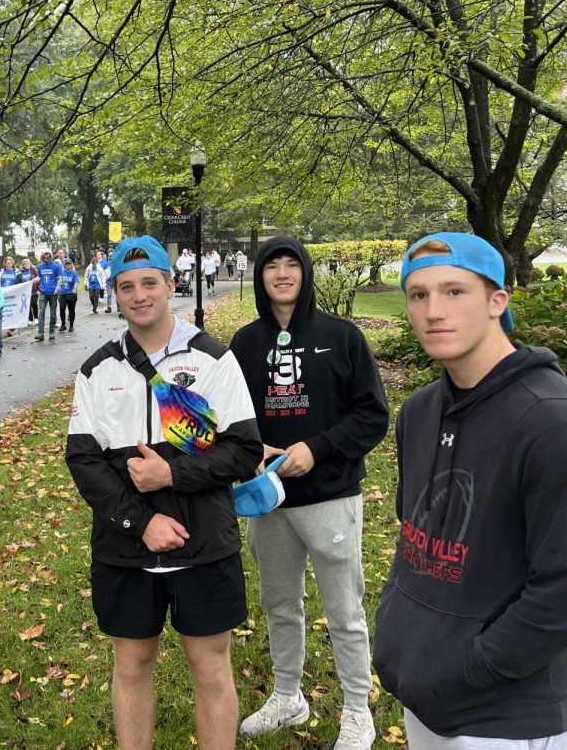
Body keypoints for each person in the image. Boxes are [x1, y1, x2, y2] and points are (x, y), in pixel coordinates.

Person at [373, 233, 567, 750]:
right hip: (426, 698)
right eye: (419, 294)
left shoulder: (553, 422)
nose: (434, 310)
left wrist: (465, 669)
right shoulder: (417, 413)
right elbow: (415, 540)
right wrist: (401, 636)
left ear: (497, 302)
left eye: (455, 291)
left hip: (508, 719)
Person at [65, 235, 263, 750]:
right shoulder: (96, 369)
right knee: (132, 664)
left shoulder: (213, 359)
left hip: (204, 542)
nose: (139, 295)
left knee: (209, 665)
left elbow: (243, 452)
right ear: (114, 293)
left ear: (170, 285)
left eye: (149, 282)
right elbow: (84, 460)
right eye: (126, 286)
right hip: (124, 548)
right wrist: (140, 521)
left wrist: (170, 477)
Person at [228, 237, 389, 750]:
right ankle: (287, 696)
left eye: (290, 264)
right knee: (280, 604)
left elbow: (372, 416)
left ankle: (358, 709)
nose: (280, 273)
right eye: (270, 265)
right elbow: (231, 420)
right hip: (269, 501)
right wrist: (249, 451)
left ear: (306, 272)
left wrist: (316, 449)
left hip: (330, 495)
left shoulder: (342, 337)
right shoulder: (244, 344)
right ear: (259, 277)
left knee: (345, 609)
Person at [34, 249, 64, 342]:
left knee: (53, 314)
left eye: (48, 257)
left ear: (50, 256)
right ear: (42, 257)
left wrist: (57, 289)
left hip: (53, 293)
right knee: (41, 313)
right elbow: (39, 277)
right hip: (43, 292)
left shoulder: (56, 266)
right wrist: (34, 280)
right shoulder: (40, 266)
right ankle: (41, 333)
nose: (46, 258)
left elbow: (60, 278)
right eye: (44, 257)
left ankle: (51, 332)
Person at [58, 260, 80, 332]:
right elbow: (59, 280)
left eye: (69, 264)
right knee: (62, 308)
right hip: (63, 293)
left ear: (71, 265)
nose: (67, 265)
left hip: (71, 293)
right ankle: (63, 324)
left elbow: (76, 282)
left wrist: (74, 288)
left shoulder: (74, 273)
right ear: (65, 265)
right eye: (66, 264)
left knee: (71, 310)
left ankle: (71, 325)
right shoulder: (62, 272)